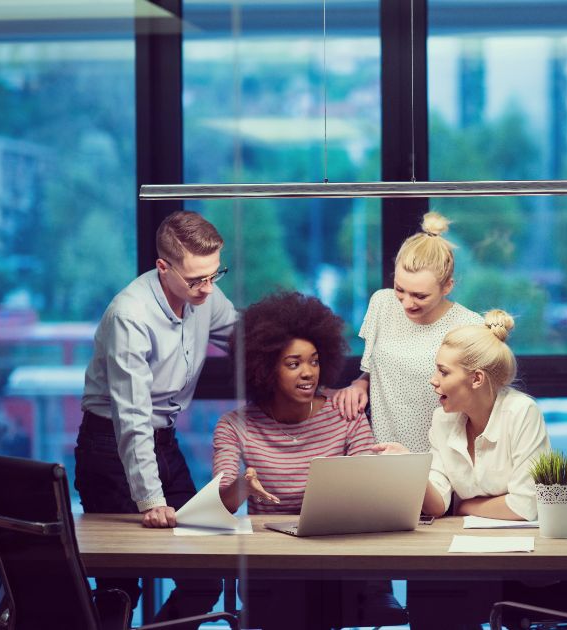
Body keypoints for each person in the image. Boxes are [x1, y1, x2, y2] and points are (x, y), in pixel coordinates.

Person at [74, 210, 233, 626]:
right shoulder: (131, 314)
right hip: (109, 447)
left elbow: (244, 336)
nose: (207, 288)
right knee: (120, 584)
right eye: (196, 279)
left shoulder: (206, 294)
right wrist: (151, 500)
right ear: (163, 267)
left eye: (215, 275)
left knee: (205, 574)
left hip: (164, 441)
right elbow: (131, 415)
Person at [372, 310, 567, 628]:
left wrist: (464, 505)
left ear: (476, 378)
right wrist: (409, 466)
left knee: (444, 593)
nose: (433, 380)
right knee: (430, 590)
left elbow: (525, 505)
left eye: (443, 371)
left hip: (523, 568)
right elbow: (438, 503)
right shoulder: (443, 419)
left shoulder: (522, 413)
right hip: (467, 561)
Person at [212, 291, 390, 629]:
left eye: (315, 360)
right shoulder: (235, 425)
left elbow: (372, 483)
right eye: (293, 364)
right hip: (272, 568)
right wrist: (242, 486)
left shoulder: (344, 410)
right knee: (291, 598)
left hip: (337, 562)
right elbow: (219, 505)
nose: (308, 373)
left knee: (324, 592)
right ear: (263, 368)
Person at [332, 210, 482, 452]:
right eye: (400, 289)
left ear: (447, 287)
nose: (406, 303)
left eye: (420, 295)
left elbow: (479, 400)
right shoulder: (382, 303)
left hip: (442, 458)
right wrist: (360, 384)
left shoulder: (469, 325)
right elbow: (381, 369)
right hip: (384, 452)